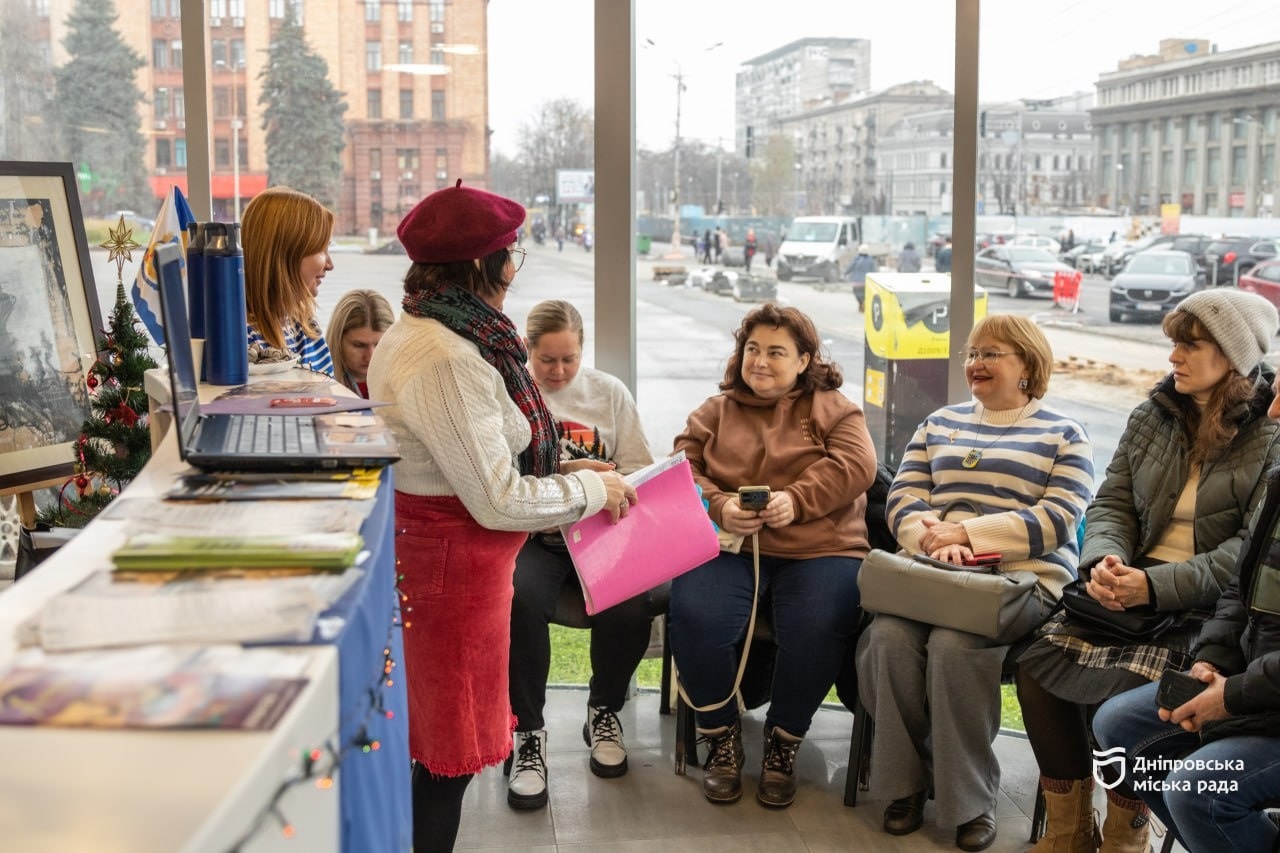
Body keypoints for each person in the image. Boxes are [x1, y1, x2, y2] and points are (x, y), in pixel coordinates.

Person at [366, 180, 636, 853]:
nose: (515, 269)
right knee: (442, 762)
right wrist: (590, 496)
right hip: (450, 575)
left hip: (455, 566)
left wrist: (566, 472)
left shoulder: (443, 327)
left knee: (434, 748)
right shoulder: (448, 358)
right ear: (484, 266)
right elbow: (495, 499)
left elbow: (483, 458)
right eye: (511, 255)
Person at [1016, 288, 1280, 853]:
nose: (1173, 358)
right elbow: (1109, 504)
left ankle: (1124, 833)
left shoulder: (1269, 437)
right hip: (1125, 588)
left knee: (1133, 693)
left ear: (1232, 356)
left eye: (1190, 345)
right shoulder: (1151, 416)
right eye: (1173, 344)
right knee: (1036, 672)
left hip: (1199, 606)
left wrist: (1153, 587)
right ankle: (1067, 831)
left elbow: (1245, 556)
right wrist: (1104, 561)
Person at [857, 314, 1095, 853]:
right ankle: (905, 788)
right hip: (931, 572)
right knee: (888, 641)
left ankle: (969, 802)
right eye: (971, 353)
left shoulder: (1064, 434)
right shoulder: (938, 423)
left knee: (954, 644)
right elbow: (903, 500)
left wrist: (970, 535)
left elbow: (1058, 518)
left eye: (992, 353)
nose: (976, 363)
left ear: (1028, 366)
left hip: (1019, 582)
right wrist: (939, 543)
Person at [669, 303, 877, 809]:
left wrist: (796, 500)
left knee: (820, 620)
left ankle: (783, 742)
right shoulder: (713, 411)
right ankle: (720, 735)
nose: (760, 361)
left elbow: (858, 465)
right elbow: (681, 469)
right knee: (695, 613)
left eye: (776, 352)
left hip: (821, 548)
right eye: (753, 349)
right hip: (732, 546)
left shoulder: (835, 408)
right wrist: (719, 506)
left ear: (805, 360)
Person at [1093, 440, 1280, 853]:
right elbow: (1239, 588)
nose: (1274, 408)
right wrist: (1212, 660)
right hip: (1258, 682)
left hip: (1261, 693)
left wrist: (1231, 696)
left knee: (1200, 788)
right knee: (1119, 723)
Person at [506, 299, 656, 811]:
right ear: (528, 351)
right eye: (547, 360)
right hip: (539, 535)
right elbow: (500, 480)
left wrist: (609, 479)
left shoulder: (608, 393)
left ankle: (604, 709)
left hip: (600, 533)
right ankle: (528, 732)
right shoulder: (512, 395)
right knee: (518, 599)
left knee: (631, 598)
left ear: (582, 350)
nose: (559, 371)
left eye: (569, 359)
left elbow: (639, 468)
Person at [242, 186, 335, 375]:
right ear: (284, 256)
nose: (330, 264)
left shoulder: (306, 325)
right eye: (320, 250)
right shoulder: (240, 339)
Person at [325, 289, 394, 398]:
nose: (370, 357)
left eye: (379, 345)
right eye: (359, 345)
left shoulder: (408, 385)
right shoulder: (317, 386)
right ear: (338, 341)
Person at [845, 244, 877, 311]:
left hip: (856, 283)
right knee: (865, 296)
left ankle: (861, 303)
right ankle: (863, 304)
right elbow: (874, 271)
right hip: (866, 283)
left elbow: (849, 268)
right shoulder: (871, 260)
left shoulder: (856, 260)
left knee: (858, 295)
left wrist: (845, 273)